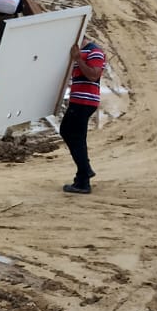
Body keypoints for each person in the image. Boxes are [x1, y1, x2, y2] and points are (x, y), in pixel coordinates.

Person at [59, 35, 106, 195]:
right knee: (77, 137)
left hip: (85, 101)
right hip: (79, 100)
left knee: (68, 132)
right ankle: (82, 178)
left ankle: (85, 171)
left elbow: (94, 75)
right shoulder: (82, 52)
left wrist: (78, 59)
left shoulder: (94, 51)